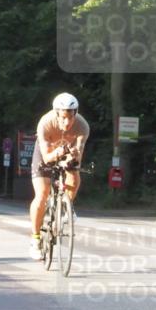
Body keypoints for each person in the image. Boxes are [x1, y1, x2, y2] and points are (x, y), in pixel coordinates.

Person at [29, 93, 90, 260]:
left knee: (74, 174)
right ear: (56, 114)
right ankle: (35, 239)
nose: (67, 122)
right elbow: (47, 157)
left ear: (76, 114)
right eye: (63, 118)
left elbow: (77, 157)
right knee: (42, 194)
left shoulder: (82, 126)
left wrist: (73, 156)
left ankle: (66, 207)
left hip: (67, 152)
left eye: (71, 117)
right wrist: (58, 153)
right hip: (46, 153)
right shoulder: (45, 123)